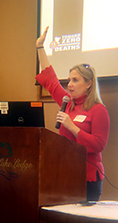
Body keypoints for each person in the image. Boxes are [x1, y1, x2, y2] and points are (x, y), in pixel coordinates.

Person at [36, 26, 110, 201]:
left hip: (87, 177)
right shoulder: (67, 101)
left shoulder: (99, 110)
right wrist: (40, 47)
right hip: (65, 173)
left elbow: (98, 145)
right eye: (69, 80)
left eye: (75, 80)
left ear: (89, 84)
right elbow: (50, 80)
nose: (69, 84)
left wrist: (72, 127)